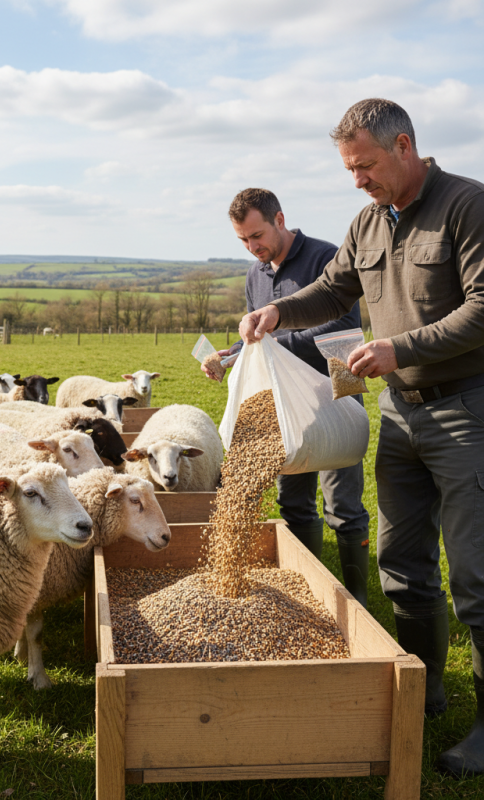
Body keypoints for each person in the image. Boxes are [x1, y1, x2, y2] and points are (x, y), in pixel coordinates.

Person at [240, 98, 484, 778]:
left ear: (404, 146)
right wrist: (278, 309)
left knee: (474, 574)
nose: (357, 180)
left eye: (366, 166)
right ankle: (425, 688)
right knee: (402, 564)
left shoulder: (468, 206)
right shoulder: (368, 222)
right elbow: (333, 288)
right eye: (349, 169)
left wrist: (398, 347)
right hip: (402, 415)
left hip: (469, 411)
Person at [203, 188, 370, 606]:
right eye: (243, 240)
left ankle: (358, 596)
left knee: (343, 505)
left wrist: (270, 340)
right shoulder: (255, 275)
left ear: (280, 220)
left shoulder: (324, 258)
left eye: (257, 235)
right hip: (282, 406)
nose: (252, 247)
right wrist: (232, 357)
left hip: (333, 392)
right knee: (293, 502)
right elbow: (262, 343)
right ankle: (308, 592)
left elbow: (343, 334)